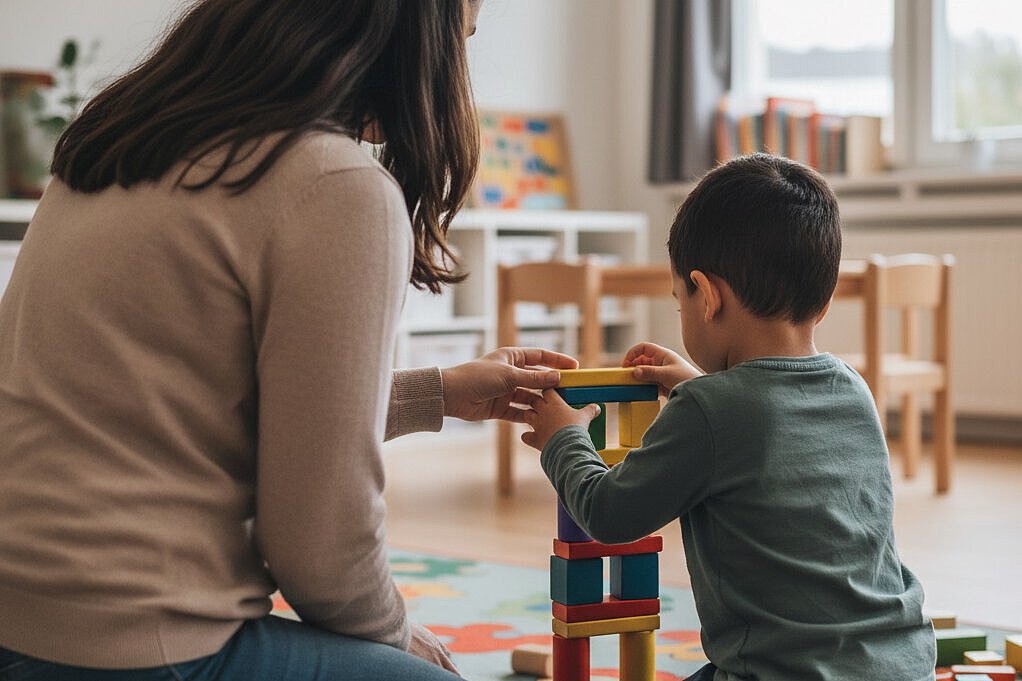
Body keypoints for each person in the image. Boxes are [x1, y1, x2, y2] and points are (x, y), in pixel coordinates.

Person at [0, 1, 579, 679]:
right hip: (135, 645)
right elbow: (320, 548)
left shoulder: (117, 139)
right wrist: (399, 636)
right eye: (464, 36)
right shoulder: (334, 185)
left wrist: (439, 394)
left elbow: (192, 406)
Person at [518, 154, 937, 681]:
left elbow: (608, 514)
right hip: (903, 662)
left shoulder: (710, 411)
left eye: (679, 303)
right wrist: (696, 383)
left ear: (708, 295)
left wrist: (564, 438)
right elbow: (767, 427)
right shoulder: (852, 388)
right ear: (823, 300)